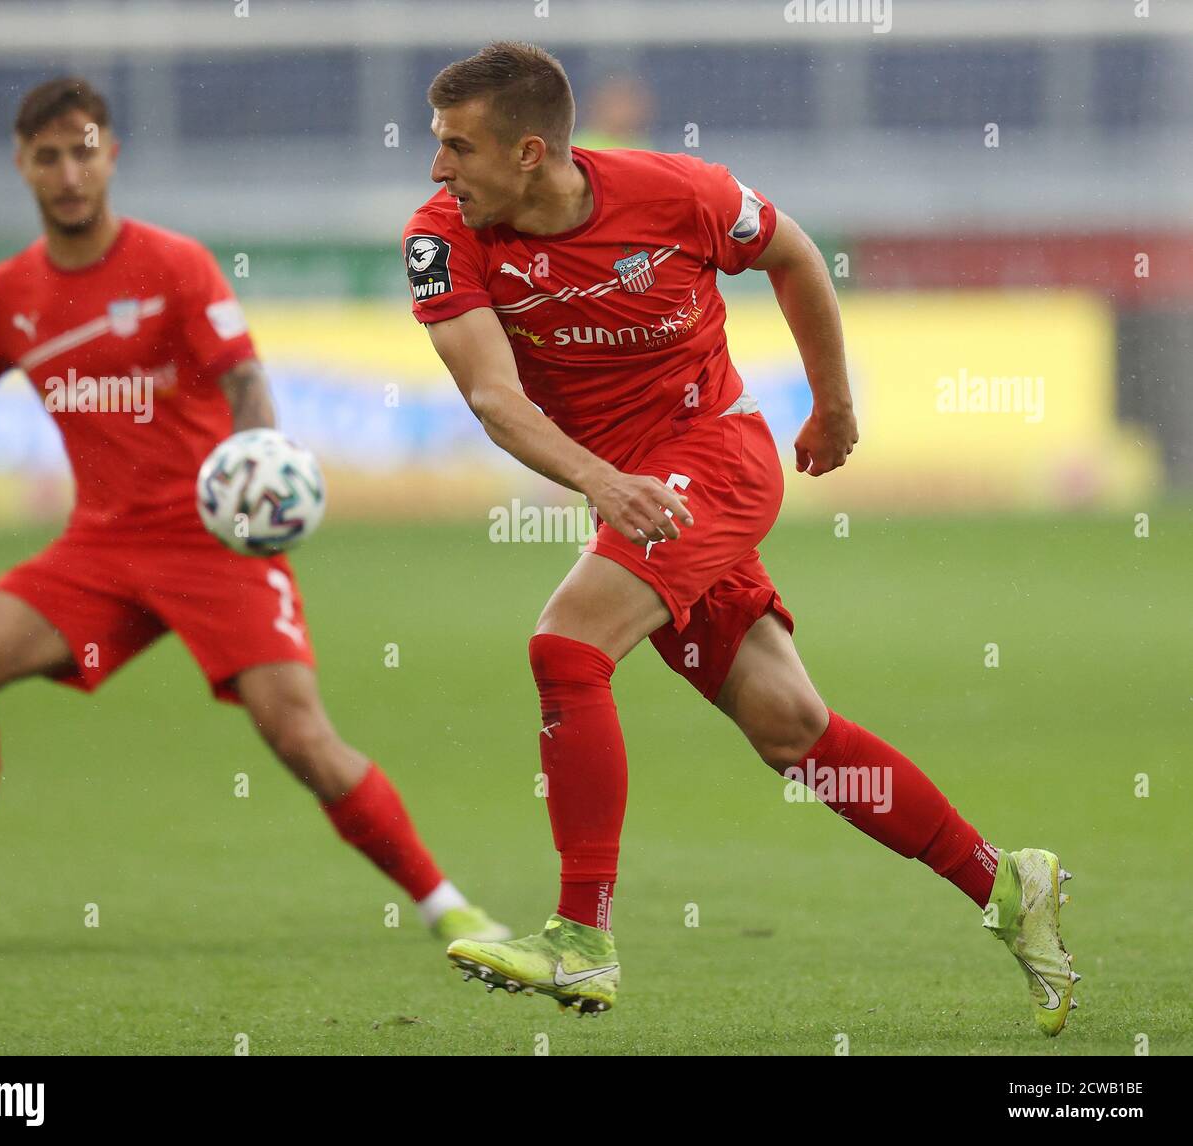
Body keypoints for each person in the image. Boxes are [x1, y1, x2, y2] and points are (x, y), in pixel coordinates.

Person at [401, 42, 1077, 1033]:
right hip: (633, 492)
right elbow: (493, 397)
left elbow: (795, 256)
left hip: (713, 458)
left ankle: (579, 938)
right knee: (791, 729)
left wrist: (832, 406)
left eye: (457, 148)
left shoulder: (680, 195)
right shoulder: (441, 237)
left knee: (566, 645)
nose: (436, 170)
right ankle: (1007, 885)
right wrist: (602, 482)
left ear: (530, 151)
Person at [0, 77, 507, 951]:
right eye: (48, 157)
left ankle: (447, 905)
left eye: (84, 151)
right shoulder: (10, 295)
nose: (69, 173)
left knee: (298, 734)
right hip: (100, 548)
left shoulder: (173, 264)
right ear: (23, 167)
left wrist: (257, 462)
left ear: (111, 157)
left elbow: (245, 376)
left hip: (215, 541)